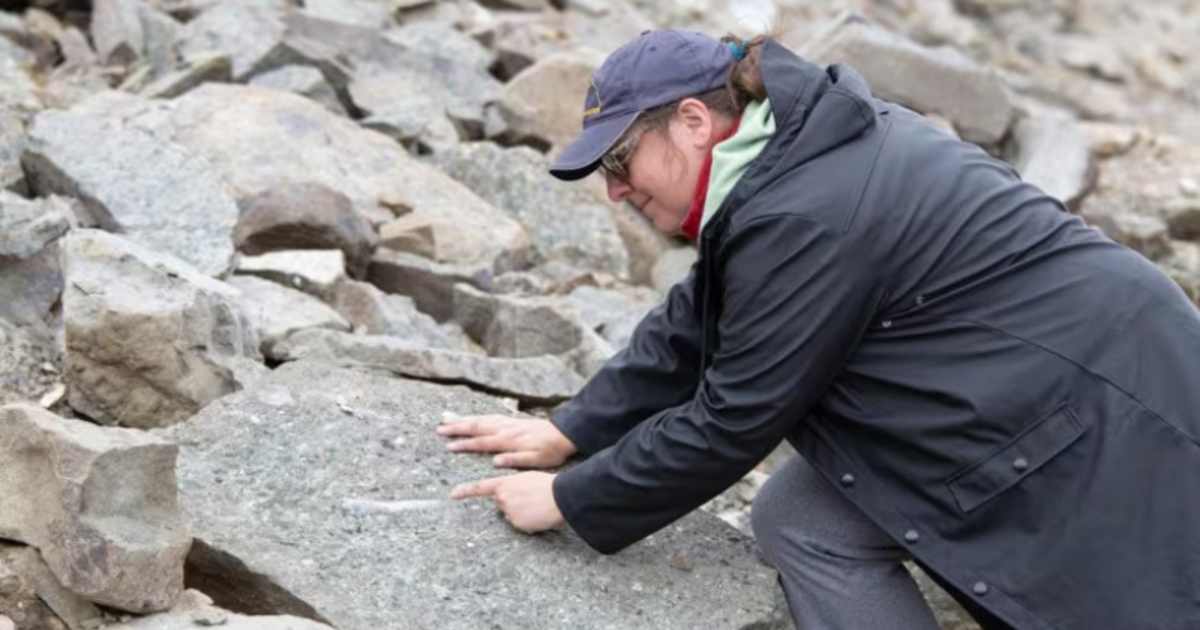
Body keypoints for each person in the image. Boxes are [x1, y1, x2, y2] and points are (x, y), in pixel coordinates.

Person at [438, 29, 1200, 629]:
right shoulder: (788, 155)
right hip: (1012, 383)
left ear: (695, 122)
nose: (614, 192)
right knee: (801, 517)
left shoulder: (805, 210)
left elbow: (734, 418)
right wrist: (571, 430)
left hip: (1097, 405)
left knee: (1125, 593)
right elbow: (698, 316)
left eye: (620, 162)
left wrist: (571, 499)